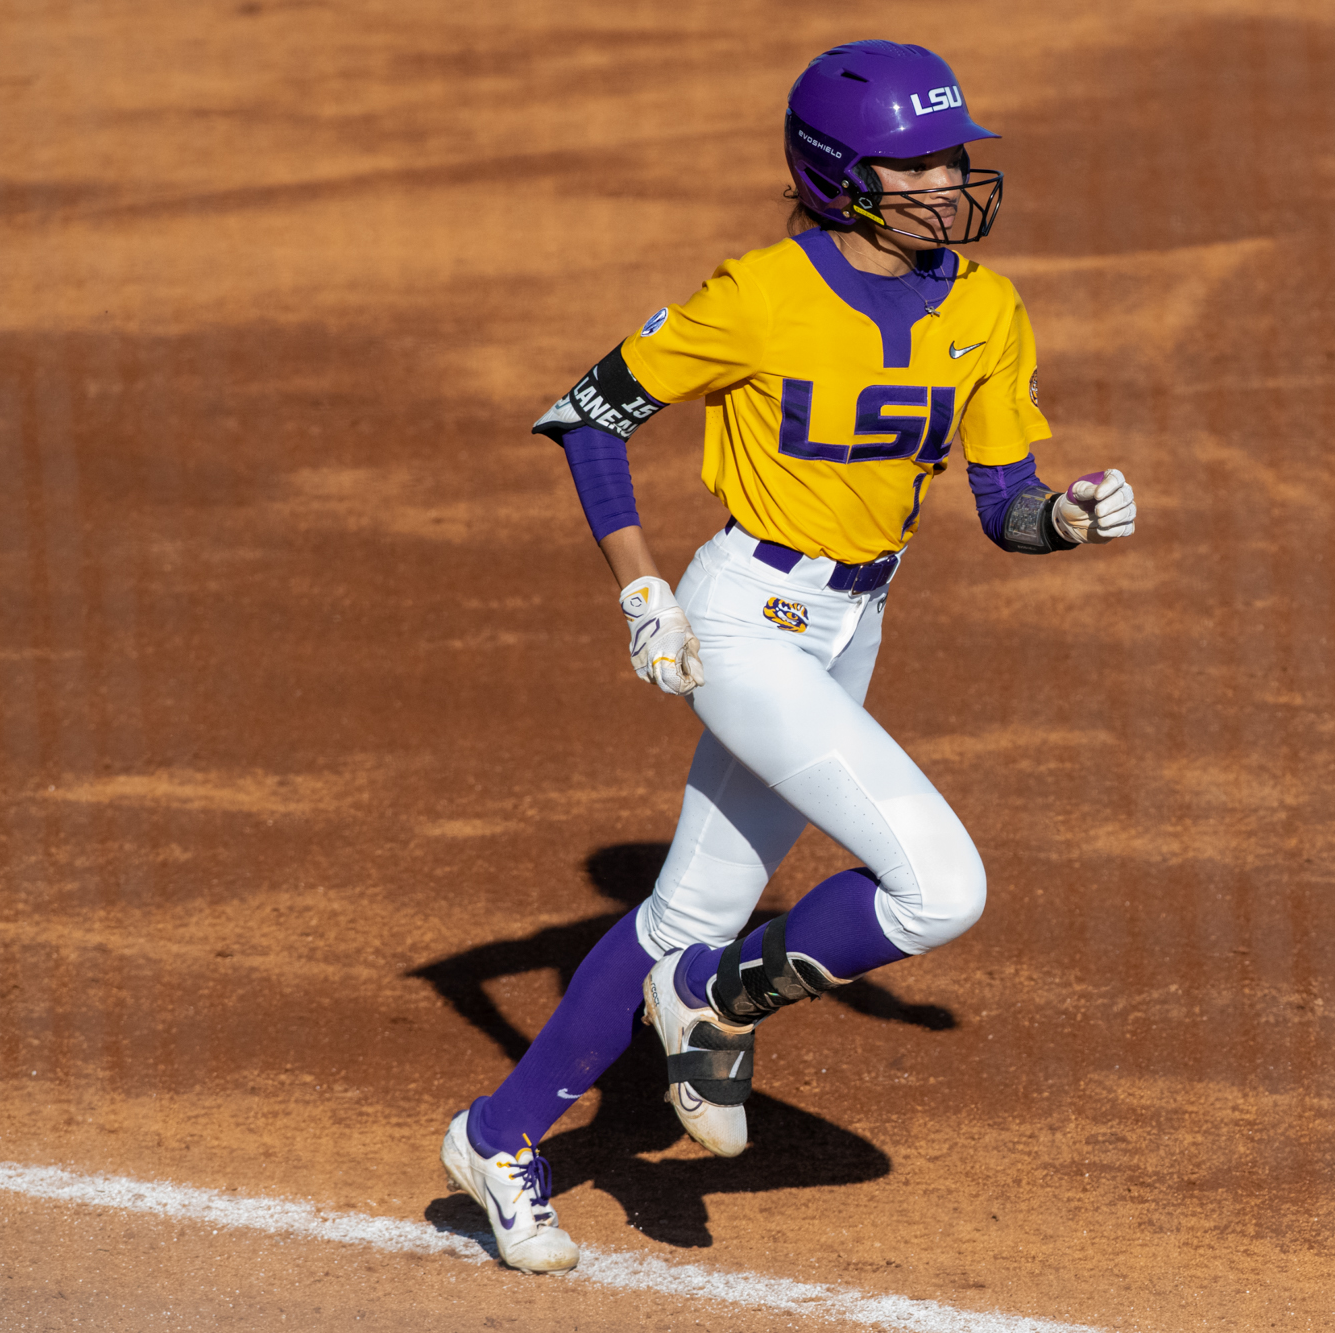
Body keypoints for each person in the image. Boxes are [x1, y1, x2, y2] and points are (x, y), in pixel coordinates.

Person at [438, 39, 1138, 1273]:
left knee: (680, 912)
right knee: (937, 889)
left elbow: (1006, 503)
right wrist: (643, 588)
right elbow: (587, 417)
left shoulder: (984, 307)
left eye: (951, 156)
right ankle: (721, 998)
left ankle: (498, 1137)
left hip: (852, 624)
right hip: (743, 615)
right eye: (912, 162)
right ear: (835, 172)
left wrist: (1065, 519)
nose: (945, 181)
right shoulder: (758, 295)